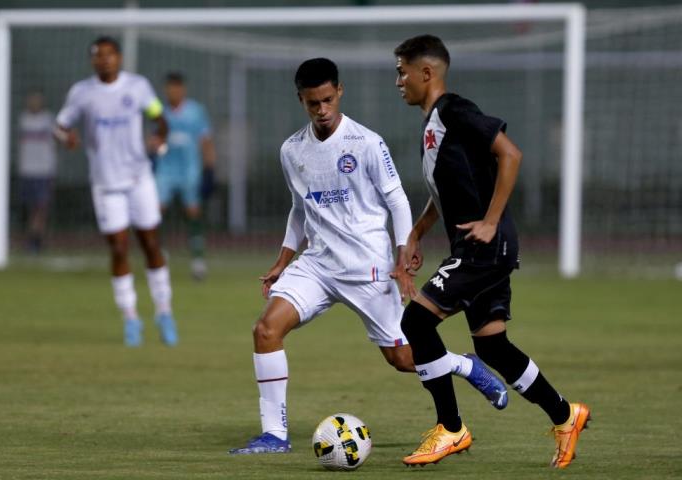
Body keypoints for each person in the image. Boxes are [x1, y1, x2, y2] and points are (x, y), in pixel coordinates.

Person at [229, 58, 508, 455]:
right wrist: (282, 259)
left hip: (368, 267)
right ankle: (274, 435)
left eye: (327, 100)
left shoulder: (366, 142)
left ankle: (464, 364)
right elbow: (299, 208)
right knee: (265, 331)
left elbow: (396, 199)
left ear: (339, 92)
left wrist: (401, 253)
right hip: (318, 265)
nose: (322, 110)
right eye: (313, 104)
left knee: (402, 358)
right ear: (301, 101)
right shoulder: (292, 150)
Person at [393, 34, 590, 468]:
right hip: (485, 245)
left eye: (402, 71)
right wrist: (417, 234)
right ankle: (565, 415)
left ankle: (451, 428)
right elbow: (443, 193)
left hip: (485, 245)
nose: (398, 81)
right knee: (492, 347)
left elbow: (511, 154)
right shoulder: (433, 124)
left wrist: (490, 219)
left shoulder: (454, 110)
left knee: (416, 320)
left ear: (427, 73)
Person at [54, 36, 178, 347]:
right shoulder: (82, 93)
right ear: (92, 60)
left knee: (151, 244)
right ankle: (131, 317)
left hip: (139, 179)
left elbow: (158, 117)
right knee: (119, 249)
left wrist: (159, 137)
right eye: (98, 56)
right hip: (106, 184)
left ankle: (164, 310)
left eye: (109, 55)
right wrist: (65, 137)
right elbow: (61, 124)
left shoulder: (137, 87)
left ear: (119, 58)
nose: (104, 60)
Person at [154, 72, 216, 280]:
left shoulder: (196, 111)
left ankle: (198, 261)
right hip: (166, 170)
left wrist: (209, 168)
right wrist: (154, 150)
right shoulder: (160, 112)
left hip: (190, 170)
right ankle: (158, 256)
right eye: (170, 88)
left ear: (183, 89)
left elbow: (205, 140)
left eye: (177, 87)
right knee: (156, 211)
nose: (173, 91)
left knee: (193, 212)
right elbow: (156, 141)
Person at [17, 90, 57, 253]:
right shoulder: (23, 119)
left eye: (37, 99)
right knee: (30, 208)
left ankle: (36, 240)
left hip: (43, 171)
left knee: (41, 208)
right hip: (26, 171)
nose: (34, 102)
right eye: (31, 99)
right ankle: (33, 238)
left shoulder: (48, 120)